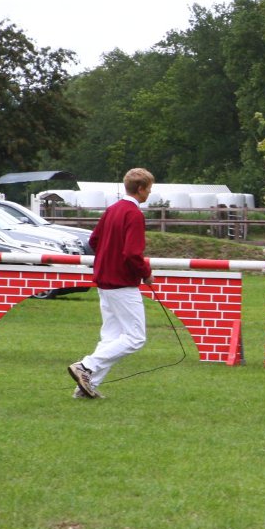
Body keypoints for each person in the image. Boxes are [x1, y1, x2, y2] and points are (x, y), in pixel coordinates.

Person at [68, 168, 155, 399]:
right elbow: (132, 253)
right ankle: (85, 366)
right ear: (141, 189)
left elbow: (94, 240)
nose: (149, 193)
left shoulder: (112, 210)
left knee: (111, 338)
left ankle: (86, 387)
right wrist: (146, 272)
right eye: (149, 189)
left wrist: (110, 257)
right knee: (136, 338)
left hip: (105, 282)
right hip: (123, 285)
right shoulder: (134, 214)